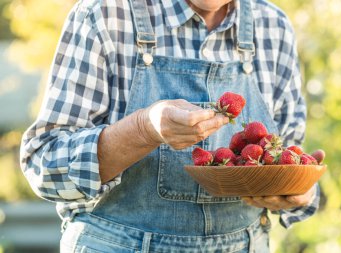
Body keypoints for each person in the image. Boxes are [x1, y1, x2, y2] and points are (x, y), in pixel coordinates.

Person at [20, 0, 320, 252]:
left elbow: (287, 154)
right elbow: (45, 167)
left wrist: (295, 189)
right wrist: (143, 129)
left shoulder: (273, 27)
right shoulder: (104, 15)